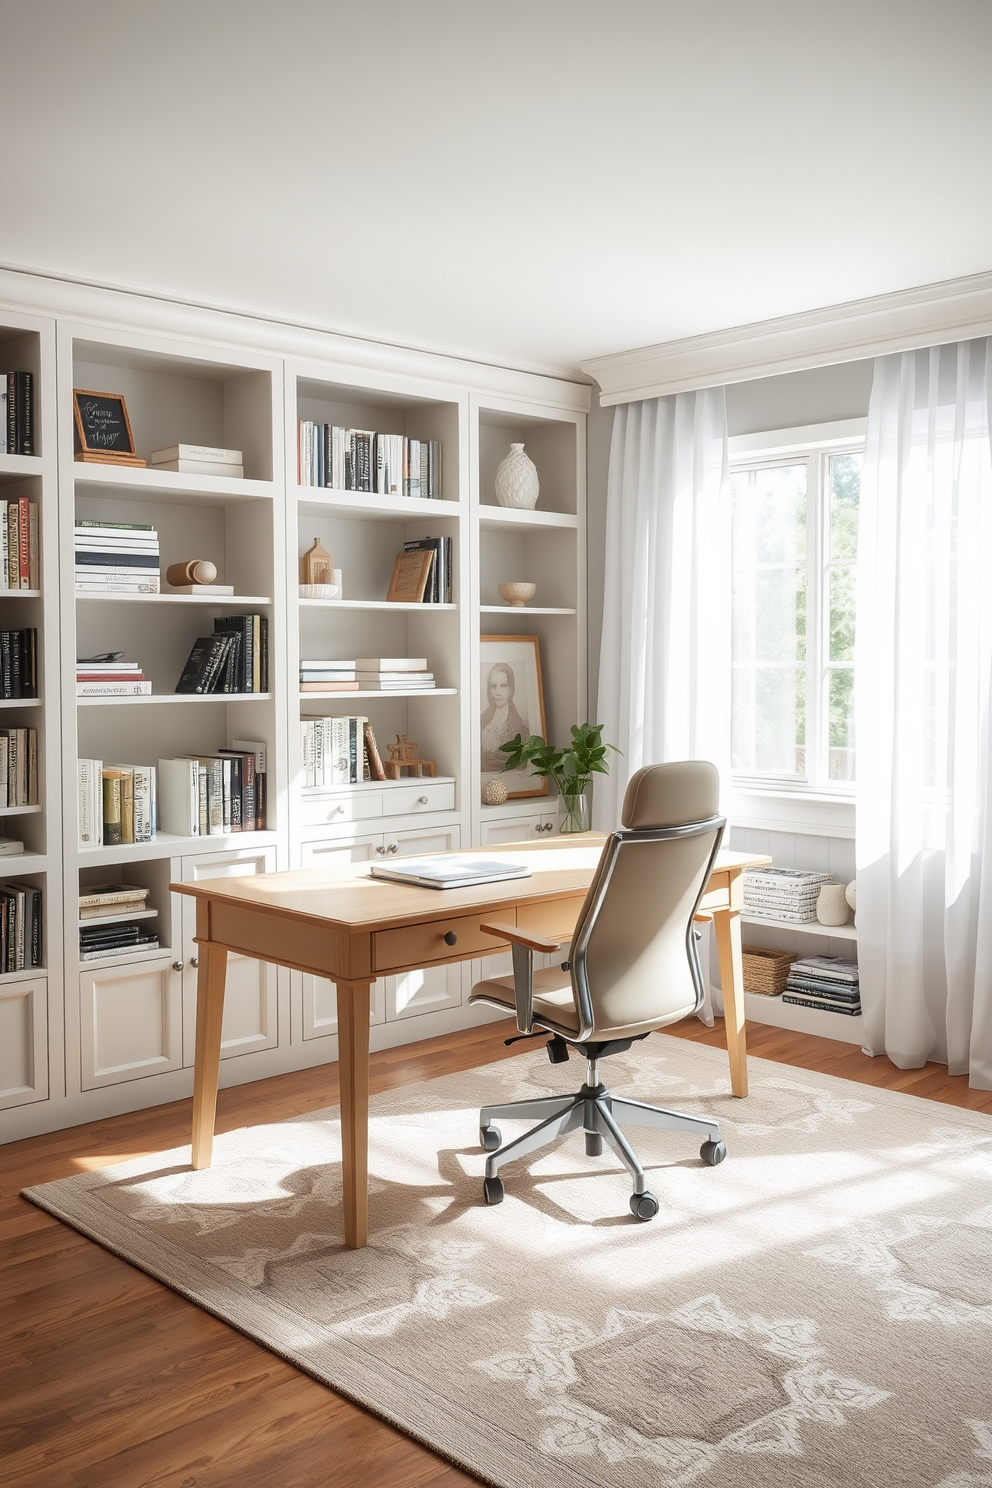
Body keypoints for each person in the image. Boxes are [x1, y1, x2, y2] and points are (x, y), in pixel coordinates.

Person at [480, 662, 529, 773]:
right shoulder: (481, 721)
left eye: (503, 686)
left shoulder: (521, 727)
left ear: (510, 689)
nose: (498, 692)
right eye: (494, 686)